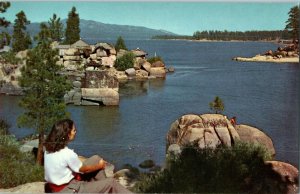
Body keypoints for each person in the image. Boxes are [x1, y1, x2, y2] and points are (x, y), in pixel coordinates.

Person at [44, 119, 132, 193]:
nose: (75, 132)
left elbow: (67, 163)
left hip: (57, 187)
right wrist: (100, 166)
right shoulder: (67, 153)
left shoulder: (48, 150)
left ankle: (102, 187)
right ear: (67, 134)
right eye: (74, 130)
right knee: (111, 182)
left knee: (96, 158)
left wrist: (97, 163)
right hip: (70, 189)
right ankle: (106, 186)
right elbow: (84, 170)